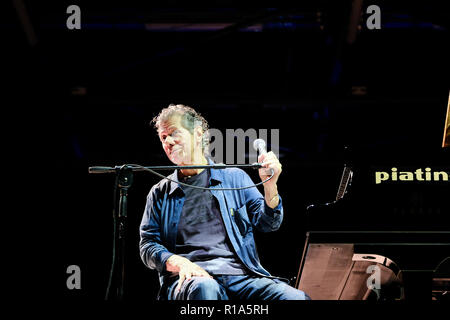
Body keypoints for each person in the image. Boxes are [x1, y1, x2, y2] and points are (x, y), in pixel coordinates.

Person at [139, 104, 310, 300]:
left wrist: (270, 186)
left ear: (197, 134)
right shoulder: (160, 192)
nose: (168, 141)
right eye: (163, 137)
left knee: (296, 298)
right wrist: (179, 262)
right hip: (193, 279)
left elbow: (269, 223)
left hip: (242, 278)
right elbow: (148, 245)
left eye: (174, 133)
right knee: (205, 289)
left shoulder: (234, 177)